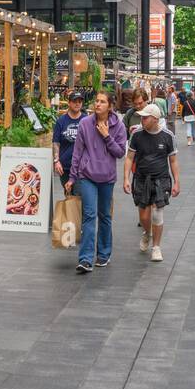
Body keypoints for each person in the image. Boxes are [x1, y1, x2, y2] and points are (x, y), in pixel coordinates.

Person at [66, 90, 127, 273]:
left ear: (110, 105)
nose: (97, 104)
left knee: (105, 216)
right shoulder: (85, 123)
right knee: (90, 215)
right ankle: (85, 259)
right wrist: (72, 177)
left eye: (102, 101)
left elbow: (120, 153)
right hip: (87, 176)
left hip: (107, 177)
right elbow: (77, 152)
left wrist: (107, 136)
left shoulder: (118, 126)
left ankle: (104, 253)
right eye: (96, 101)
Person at [124, 103, 179, 263]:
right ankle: (147, 233)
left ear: (155, 119)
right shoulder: (137, 135)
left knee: (157, 213)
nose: (142, 119)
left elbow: (173, 161)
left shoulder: (168, 136)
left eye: (145, 117)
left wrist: (177, 182)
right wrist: (126, 178)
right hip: (141, 178)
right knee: (144, 216)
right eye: (141, 117)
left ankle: (156, 247)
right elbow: (129, 158)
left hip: (161, 179)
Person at [52, 90, 85, 190]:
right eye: (75, 101)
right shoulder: (61, 121)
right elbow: (56, 142)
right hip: (65, 166)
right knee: (69, 196)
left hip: (82, 166)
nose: (77, 104)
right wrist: (56, 161)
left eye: (80, 101)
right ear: (69, 103)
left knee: (78, 195)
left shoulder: (86, 120)